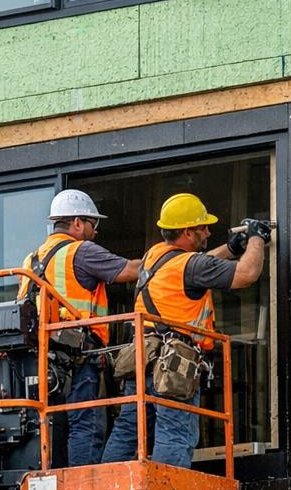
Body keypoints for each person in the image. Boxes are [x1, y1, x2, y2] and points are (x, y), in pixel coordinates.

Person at [101, 193, 268, 468]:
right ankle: (167, 488)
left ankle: (109, 482)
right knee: (175, 432)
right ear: (188, 232)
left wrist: (229, 248)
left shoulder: (154, 257)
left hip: (143, 359)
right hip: (174, 364)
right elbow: (246, 274)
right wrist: (256, 238)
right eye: (203, 227)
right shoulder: (190, 265)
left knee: (129, 429)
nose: (208, 232)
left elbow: (196, 265)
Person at [17, 189, 139, 467]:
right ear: (77, 223)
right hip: (77, 357)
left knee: (48, 423)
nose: (96, 232)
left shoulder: (31, 260)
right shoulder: (81, 251)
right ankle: (85, 481)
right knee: (86, 423)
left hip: (41, 360)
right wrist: (166, 263)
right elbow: (132, 271)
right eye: (93, 224)